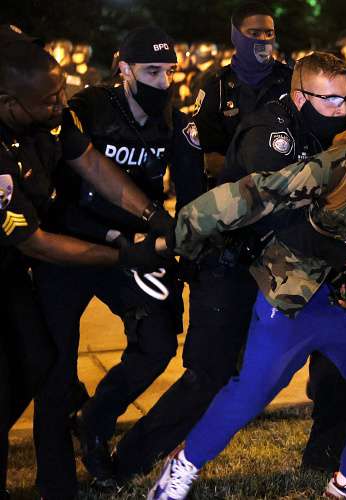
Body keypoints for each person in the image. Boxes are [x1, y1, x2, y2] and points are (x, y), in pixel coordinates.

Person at [146, 85, 346, 500]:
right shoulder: (340, 167)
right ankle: (183, 465)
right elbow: (254, 194)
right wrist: (174, 237)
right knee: (252, 393)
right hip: (299, 296)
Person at [113, 50, 346, 482]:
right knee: (210, 375)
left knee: (339, 355)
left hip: (290, 264)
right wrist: (345, 254)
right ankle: (129, 461)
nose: (342, 110)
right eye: (332, 100)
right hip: (232, 265)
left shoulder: (330, 131)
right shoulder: (269, 135)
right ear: (300, 97)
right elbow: (280, 215)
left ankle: (326, 457)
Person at [32, 25, 205, 499]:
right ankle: (55, 483)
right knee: (55, 367)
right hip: (69, 245)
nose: (163, 82)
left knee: (157, 343)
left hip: (136, 249)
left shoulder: (174, 120)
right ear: (123, 68)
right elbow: (65, 177)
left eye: (169, 72)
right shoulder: (87, 108)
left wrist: (181, 244)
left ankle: (94, 421)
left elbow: (189, 192)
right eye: (152, 71)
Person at [0, 25, 170, 500]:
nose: (62, 104)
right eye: (49, 100)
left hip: (23, 261)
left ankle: (83, 430)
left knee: (41, 360)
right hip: (35, 251)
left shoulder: (51, 117)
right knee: (39, 373)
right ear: (8, 103)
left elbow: (91, 162)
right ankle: (55, 485)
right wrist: (124, 254)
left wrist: (154, 216)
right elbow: (36, 243)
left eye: (61, 93)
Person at [193, 2, 292, 181]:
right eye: (254, 33)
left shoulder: (291, 81)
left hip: (286, 186)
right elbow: (208, 156)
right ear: (236, 36)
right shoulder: (217, 87)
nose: (263, 40)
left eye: (269, 33)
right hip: (233, 191)